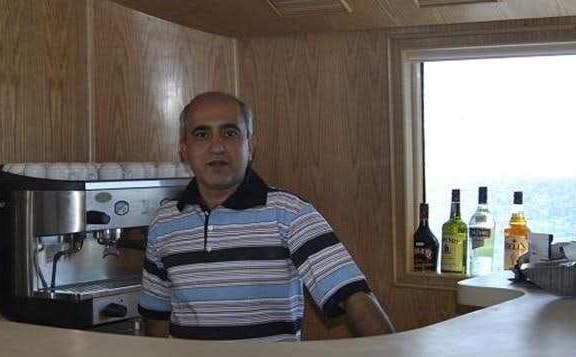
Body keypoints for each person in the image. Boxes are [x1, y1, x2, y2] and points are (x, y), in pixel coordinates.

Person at [139, 91, 395, 341]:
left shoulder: (289, 214)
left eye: (229, 133)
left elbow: (353, 295)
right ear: (184, 149)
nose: (217, 146)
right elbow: (157, 318)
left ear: (250, 145)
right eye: (202, 134)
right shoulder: (164, 223)